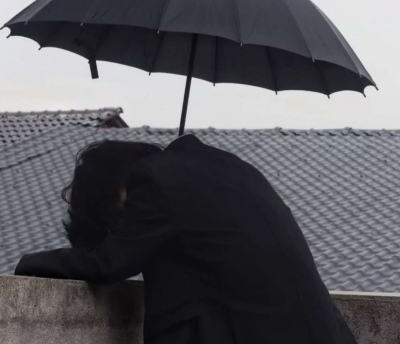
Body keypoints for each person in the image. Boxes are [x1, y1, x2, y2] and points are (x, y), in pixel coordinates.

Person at [15, 134, 357, 344]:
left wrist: (29, 261)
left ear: (114, 191)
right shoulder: (225, 166)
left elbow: (108, 262)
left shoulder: (151, 180)